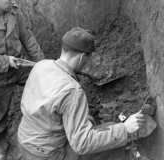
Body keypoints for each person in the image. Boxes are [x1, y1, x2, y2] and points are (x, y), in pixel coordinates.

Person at [17, 27, 144, 160]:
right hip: (48, 156)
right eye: (87, 59)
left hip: (25, 142)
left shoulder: (41, 66)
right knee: (112, 133)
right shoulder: (72, 91)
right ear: (82, 57)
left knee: (88, 121)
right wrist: (124, 129)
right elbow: (81, 144)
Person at [0, 0, 45, 160]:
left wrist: (43, 64)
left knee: (45, 82)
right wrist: (5, 61)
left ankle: (49, 123)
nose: (12, 0)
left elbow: (27, 38)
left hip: (17, 66)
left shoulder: (14, 12)